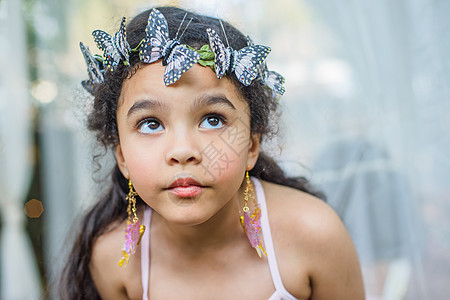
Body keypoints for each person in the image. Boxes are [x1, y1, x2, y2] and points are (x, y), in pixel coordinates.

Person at [59, 6, 365, 299]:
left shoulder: (316, 235)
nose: (182, 151)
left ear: (251, 145)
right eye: (150, 124)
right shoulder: (113, 259)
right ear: (122, 156)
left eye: (212, 120)